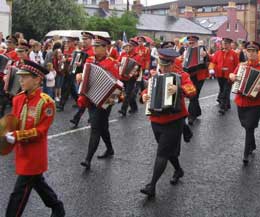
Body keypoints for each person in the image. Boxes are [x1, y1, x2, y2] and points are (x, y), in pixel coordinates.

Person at [4, 60, 65, 217]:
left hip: (34, 155)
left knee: (19, 193)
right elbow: (14, 121)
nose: (20, 80)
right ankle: (57, 207)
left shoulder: (46, 103)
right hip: (21, 151)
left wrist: (17, 136)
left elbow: (41, 131)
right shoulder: (17, 99)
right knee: (37, 183)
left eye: (25, 77)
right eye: (20, 77)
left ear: (37, 79)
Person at [140, 48, 196, 197]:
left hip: (174, 120)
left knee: (162, 153)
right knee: (168, 151)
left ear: (172, 64)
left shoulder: (182, 76)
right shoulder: (155, 76)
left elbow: (192, 91)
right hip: (156, 120)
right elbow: (147, 91)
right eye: (161, 64)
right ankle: (178, 170)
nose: (163, 68)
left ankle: (151, 186)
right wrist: (143, 97)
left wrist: (178, 88)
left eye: (166, 65)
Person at [78, 35, 119, 170]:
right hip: (90, 98)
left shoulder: (112, 63)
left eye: (97, 46)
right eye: (94, 46)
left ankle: (87, 159)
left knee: (95, 128)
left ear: (105, 48)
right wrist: (79, 76)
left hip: (104, 101)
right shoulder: (89, 60)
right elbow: (84, 76)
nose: (94, 49)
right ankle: (110, 149)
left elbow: (117, 86)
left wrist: (109, 103)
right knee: (103, 127)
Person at [229, 41, 260, 165]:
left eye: (254, 51)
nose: (251, 53)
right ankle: (252, 144)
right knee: (245, 125)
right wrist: (231, 76)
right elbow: (233, 76)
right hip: (241, 101)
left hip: (255, 103)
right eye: (249, 51)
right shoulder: (242, 65)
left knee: (249, 127)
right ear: (246, 52)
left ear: (258, 53)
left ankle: (246, 153)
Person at [69, 32, 95, 128]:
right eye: (83, 39)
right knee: (84, 100)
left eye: (86, 39)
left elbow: (92, 66)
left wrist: (82, 65)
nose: (83, 41)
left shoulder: (92, 51)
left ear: (90, 40)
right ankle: (80, 118)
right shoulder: (82, 50)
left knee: (88, 100)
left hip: (91, 79)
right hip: (82, 79)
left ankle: (79, 118)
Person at [209, 38, 239, 115]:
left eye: (226, 44)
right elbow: (213, 62)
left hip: (229, 76)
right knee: (222, 89)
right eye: (223, 43)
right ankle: (227, 104)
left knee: (226, 91)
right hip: (219, 75)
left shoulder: (234, 54)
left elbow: (237, 66)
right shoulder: (218, 53)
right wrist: (211, 68)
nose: (224, 45)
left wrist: (236, 75)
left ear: (229, 45)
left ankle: (223, 107)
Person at [184, 36, 209, 125]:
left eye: (193, 43)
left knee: (193, 95)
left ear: (197, 42)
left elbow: (207, 60)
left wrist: (206, 56)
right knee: (194, 96)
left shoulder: (202, 50)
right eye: (190, 43)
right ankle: (197, 112)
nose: (191, 44)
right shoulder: (185, 51)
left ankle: (191, 116)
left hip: (199, 77)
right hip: (189, 77)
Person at [118, 39, 141, 116]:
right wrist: (118, 65)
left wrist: (134, 73)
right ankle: (134, 107)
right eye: (128, 46)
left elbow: (138, 67)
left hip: (131, 78)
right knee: (127, 93)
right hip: (122, 76)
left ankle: (123, 109)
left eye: (130, 46)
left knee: (127, 94)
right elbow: (118, 62)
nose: (128, 47)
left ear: (134, 47)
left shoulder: (137, 56)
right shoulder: (123, 54)